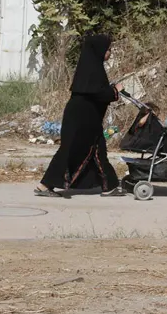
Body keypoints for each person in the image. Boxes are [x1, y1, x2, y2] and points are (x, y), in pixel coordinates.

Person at [35, 34, 125, 197]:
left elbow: (94, 91)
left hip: (85, 118)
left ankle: (109, 185)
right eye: (108, 49)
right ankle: (45, 184)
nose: (109, 52)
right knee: (71, 149)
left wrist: (110, 90)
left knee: (96, 149)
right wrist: (115, 90)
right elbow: (99, 93)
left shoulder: (90, 67)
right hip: (83, 119)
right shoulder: (94, 70)